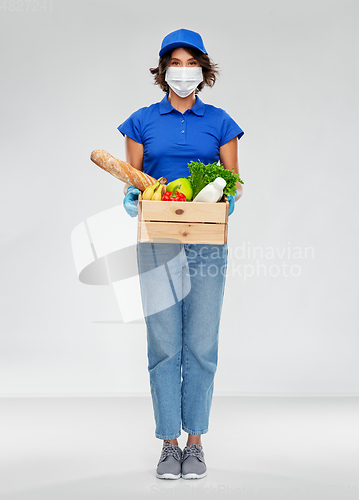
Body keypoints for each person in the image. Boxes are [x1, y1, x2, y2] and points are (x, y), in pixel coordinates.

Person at [118, 28, 244, 480]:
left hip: (208, 239)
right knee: (164, 342)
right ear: (163, 70)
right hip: (157, 238)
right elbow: (133, 178)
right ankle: (169, 443)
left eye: (192, 63)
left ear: (204, 70)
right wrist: (135, 198)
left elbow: (234, 181)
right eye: (176, 63)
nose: (184, 71)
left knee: (202, 343)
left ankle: (196, 442)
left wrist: (226, 200)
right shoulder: (141, 121)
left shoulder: (221, 122)